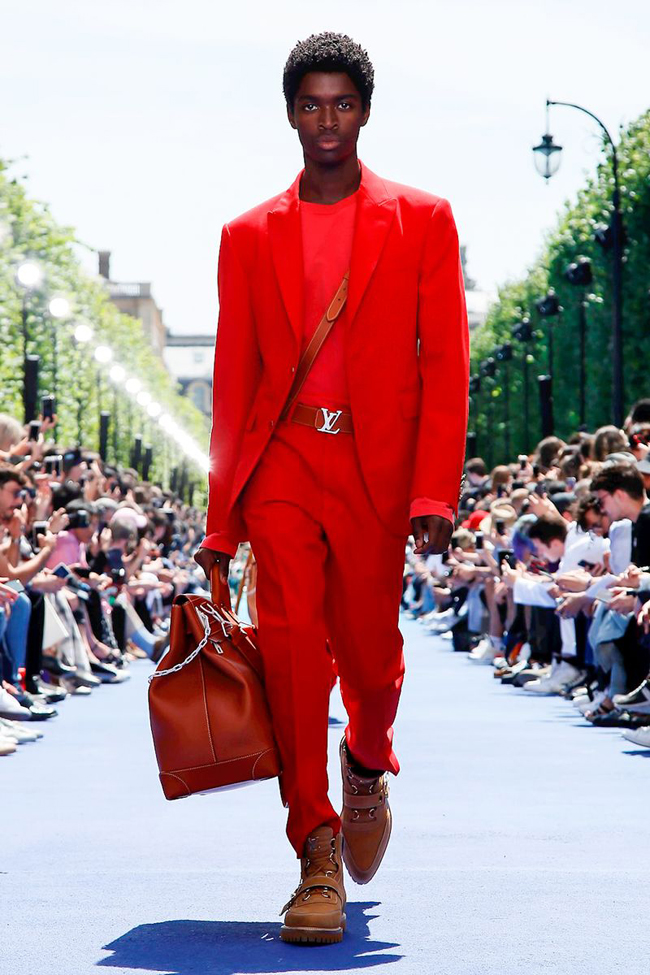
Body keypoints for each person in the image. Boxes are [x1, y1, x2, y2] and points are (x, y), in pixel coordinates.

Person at [195, 32, 468, 944]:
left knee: (369, 650)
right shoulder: (245, 234)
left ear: (365, 112)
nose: (326, 121)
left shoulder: (423, 218)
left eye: (342, 104)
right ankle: (314, 848)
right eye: (310, 104)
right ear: (289, 114)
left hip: (375, 469)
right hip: (281, 464)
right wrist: (220, 517)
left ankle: (366, 759)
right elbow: (233, 381)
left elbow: (447, 368)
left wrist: (435, 490)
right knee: (293, 655)